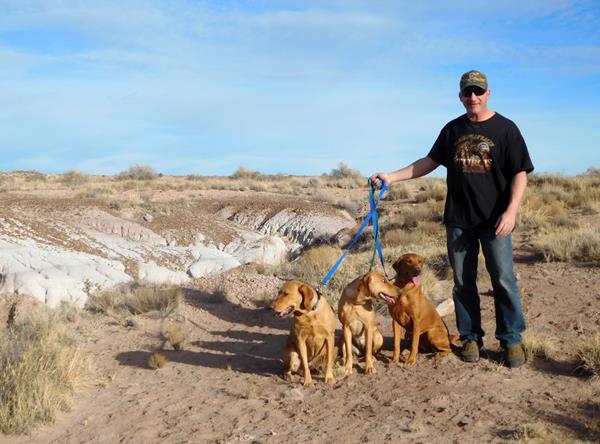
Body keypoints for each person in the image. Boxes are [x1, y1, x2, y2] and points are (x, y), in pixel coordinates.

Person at [370, 70, 534, 368]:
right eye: (467, 92)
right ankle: (471, 337)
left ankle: (511, 340)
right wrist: (391, 177)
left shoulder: (506, 129)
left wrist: (512, 211)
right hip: (459, 220)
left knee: (504, 280)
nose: (473, 97)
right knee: (462, 282)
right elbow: (428, 162)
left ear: (488, 94)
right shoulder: (452, 130)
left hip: (496, 221)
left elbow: (520, 173)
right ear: (460, 96)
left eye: (478, 92)